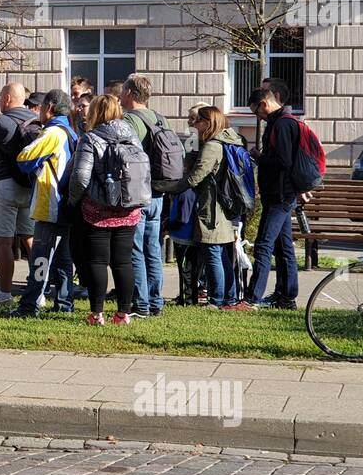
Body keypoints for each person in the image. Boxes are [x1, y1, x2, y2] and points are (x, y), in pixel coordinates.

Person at [162, 106, 251, 310]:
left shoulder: (212, 146)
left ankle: (217, 300)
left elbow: (196, 177)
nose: (195, 125)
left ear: (208, 123)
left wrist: (170, 187)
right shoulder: (232, 140)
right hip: (227, 207)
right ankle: (229, 298)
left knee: (212, 253)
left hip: (213, 209)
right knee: (221, 254)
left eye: (198, 121)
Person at [68, 94, 144, 325]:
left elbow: (81, 176)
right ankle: (122, 314)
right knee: (123, 262)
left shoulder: (91, 138)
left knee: (97, 262)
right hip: (129, 207)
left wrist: (73, 199)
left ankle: (96, 313)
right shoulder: (133, 137)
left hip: (97, 209)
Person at [14, 89, 78, 318]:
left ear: (49, 107)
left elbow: (24, 158)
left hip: (48, 203)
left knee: (40, 258)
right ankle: (64, 304)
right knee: (63, 259)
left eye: (41, 107)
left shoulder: (52, 133)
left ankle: (29, 306)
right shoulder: (70, 131)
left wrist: (35, 161)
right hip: (65, 204)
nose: (39, 111)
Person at [0, 82, 38, 307]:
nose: (0, 102)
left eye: (1, 98)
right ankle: (38, 292)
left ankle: (4, 294)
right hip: (30, 187)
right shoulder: (35, 120)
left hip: (5, 185)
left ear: (8, 99)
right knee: (30, 239)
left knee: (4, 241)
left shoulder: (3, 121)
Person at [245, 84, 302, 309]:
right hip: (282, 192)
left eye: (256, 112)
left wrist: (259, 157)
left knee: (264, 244)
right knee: (283, 245)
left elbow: (283, 162)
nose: (257, 118)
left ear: (264, 104)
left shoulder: (281, 125)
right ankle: (286, 297)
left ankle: (253, 297)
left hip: (279, 194)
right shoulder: (283, 122)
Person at [121, 73, 168, 317]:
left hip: (137, 194)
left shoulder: (129, 120)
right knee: (153, 249)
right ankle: (156, 301)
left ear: (129, 93)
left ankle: (142, 304)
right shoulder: (160, 119)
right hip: (158, 194)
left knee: (135, 250)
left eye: (122, 91)